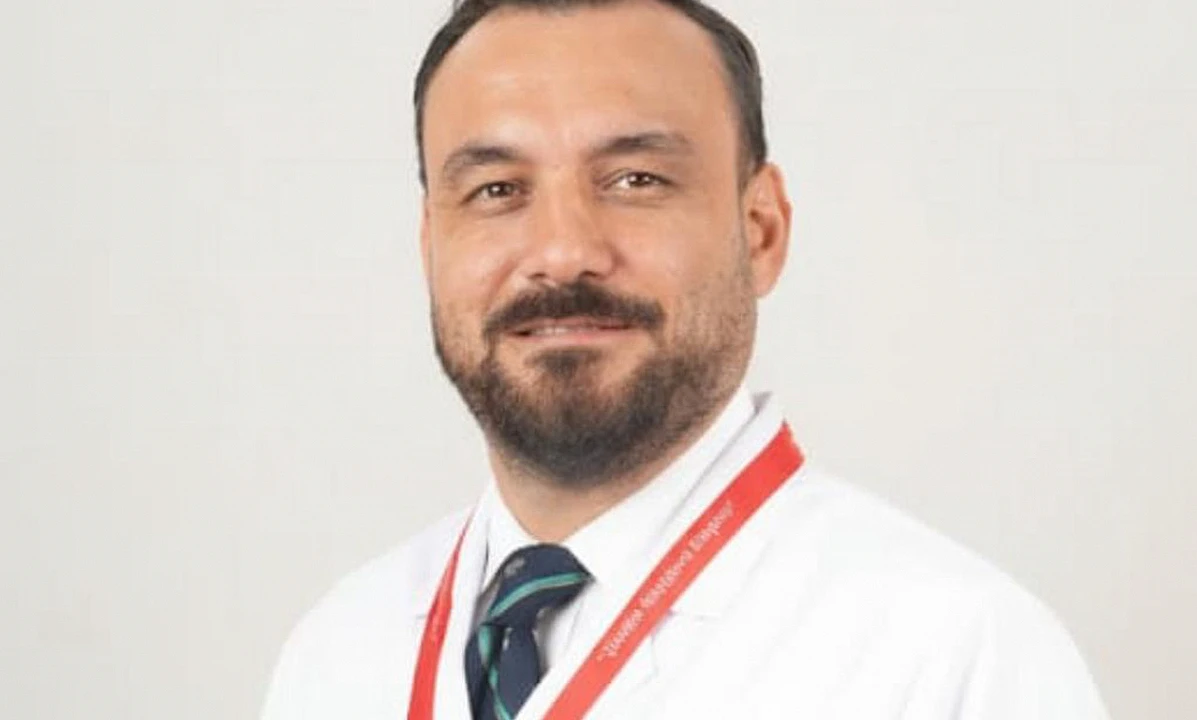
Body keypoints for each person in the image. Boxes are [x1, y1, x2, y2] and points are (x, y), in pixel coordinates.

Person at [262, 0, 1111, 718]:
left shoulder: (954, 660)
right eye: (497, 190)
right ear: (431, 247)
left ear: (761, 230)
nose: (562, 252)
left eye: (635, 179)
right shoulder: (336, 655)